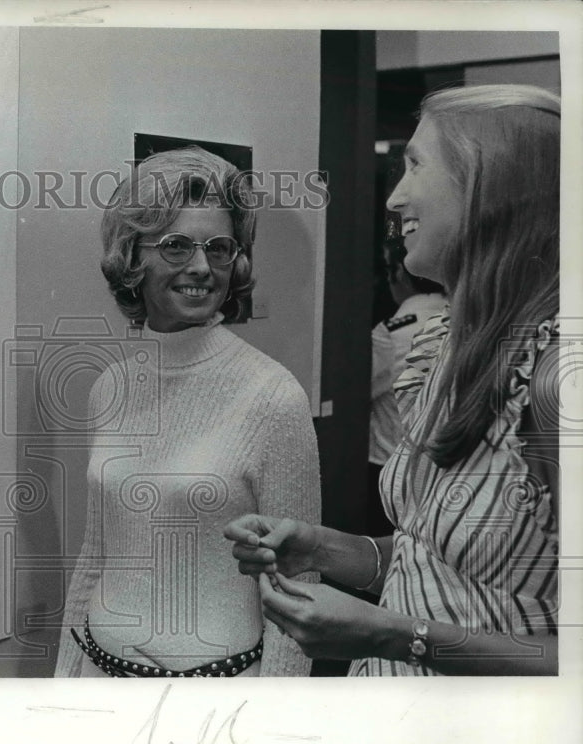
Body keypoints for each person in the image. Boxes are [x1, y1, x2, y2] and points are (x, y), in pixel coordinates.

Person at [227, 84, 560, 676]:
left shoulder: (556, 376)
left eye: (415, 165)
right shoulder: (447, 348)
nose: (395, 199)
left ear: (490, 186)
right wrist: (323, 548)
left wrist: (394, 637)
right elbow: (432, 562)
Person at [55, 146, 321, 678]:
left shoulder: (272, 396)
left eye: (218, 248)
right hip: (97, 674)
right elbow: (97, 551)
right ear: (133, 256)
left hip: (215, 697)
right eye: (176, 246)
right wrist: (65, 675)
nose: (201, 267)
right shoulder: (108, 387)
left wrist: (278, 726)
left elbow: (297, 584)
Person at [367, 240, 446, 536]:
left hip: (389, 461)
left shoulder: (392, 331)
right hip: (444, 464)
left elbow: (358, 391)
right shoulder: (464, 318)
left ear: (399, 272)